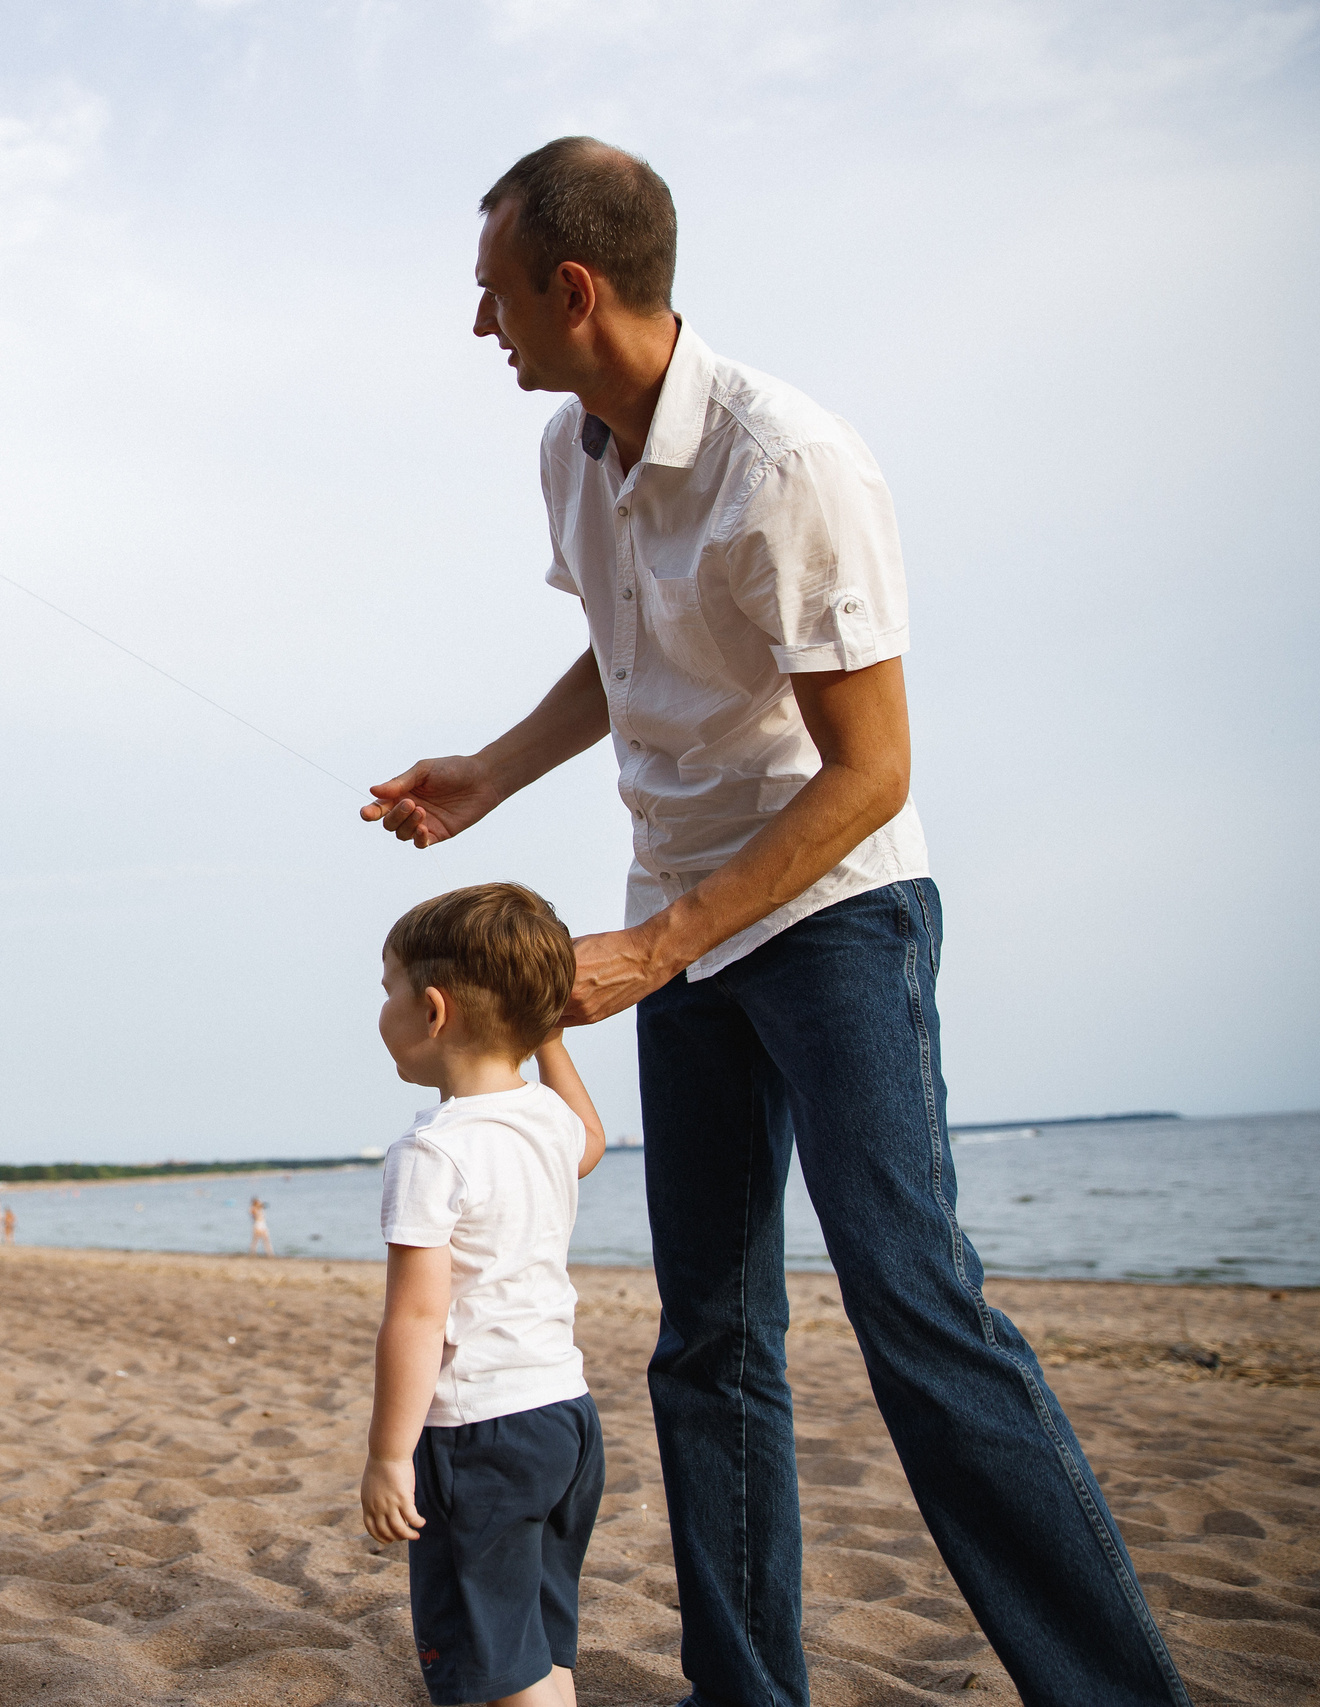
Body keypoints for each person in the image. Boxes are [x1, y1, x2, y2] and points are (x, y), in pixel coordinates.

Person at [362, 137, 1187, 1706]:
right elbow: (629, 651)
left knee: (916, 1309)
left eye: (494, 294)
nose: (483, 327)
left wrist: (666, 945)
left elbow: (872, 771)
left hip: (831, 918)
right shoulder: (570, 449)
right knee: (709, 1341)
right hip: (677, 925)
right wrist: (489, 772)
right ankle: (748, 1689)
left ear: (575, 287)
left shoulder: (788, 460)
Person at [362, 883, 609, 1707]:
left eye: (387, 989)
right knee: (535, 1628)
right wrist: (552, 1042)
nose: (384, 1009)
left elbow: (418, 1317)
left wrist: (390, 1453)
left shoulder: (432, 1152)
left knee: (490, 1655)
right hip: (565, 1418)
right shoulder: (543, 1119)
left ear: (433, 1011)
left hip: (479, 1432)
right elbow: (591, 1140)